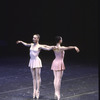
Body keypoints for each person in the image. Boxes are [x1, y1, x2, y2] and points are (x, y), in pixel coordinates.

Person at [16, 34, 53, 99]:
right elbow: (26, 44)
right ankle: (34, 91)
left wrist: (53, 47)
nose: (33, 39)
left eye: (35, 38)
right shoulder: (31, 44)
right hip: (31, 61)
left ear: (38, 39)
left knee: (38, 77)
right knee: (33, 77)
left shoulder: (39, 46)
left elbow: (47, 48)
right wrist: (21, 42)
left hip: (37, 61)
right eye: (33, 37)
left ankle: (38, 91)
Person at [51, 36, 80, 100]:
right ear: (60, 40)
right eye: (61, 39)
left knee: (55, 78)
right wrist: (74, 47)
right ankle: (57, 94)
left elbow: (46, 47)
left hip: (55, 62)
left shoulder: (54, 47)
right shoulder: (61, 48)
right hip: (59, 63)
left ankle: (55, 92)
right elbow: (68, 47)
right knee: (58, 79)